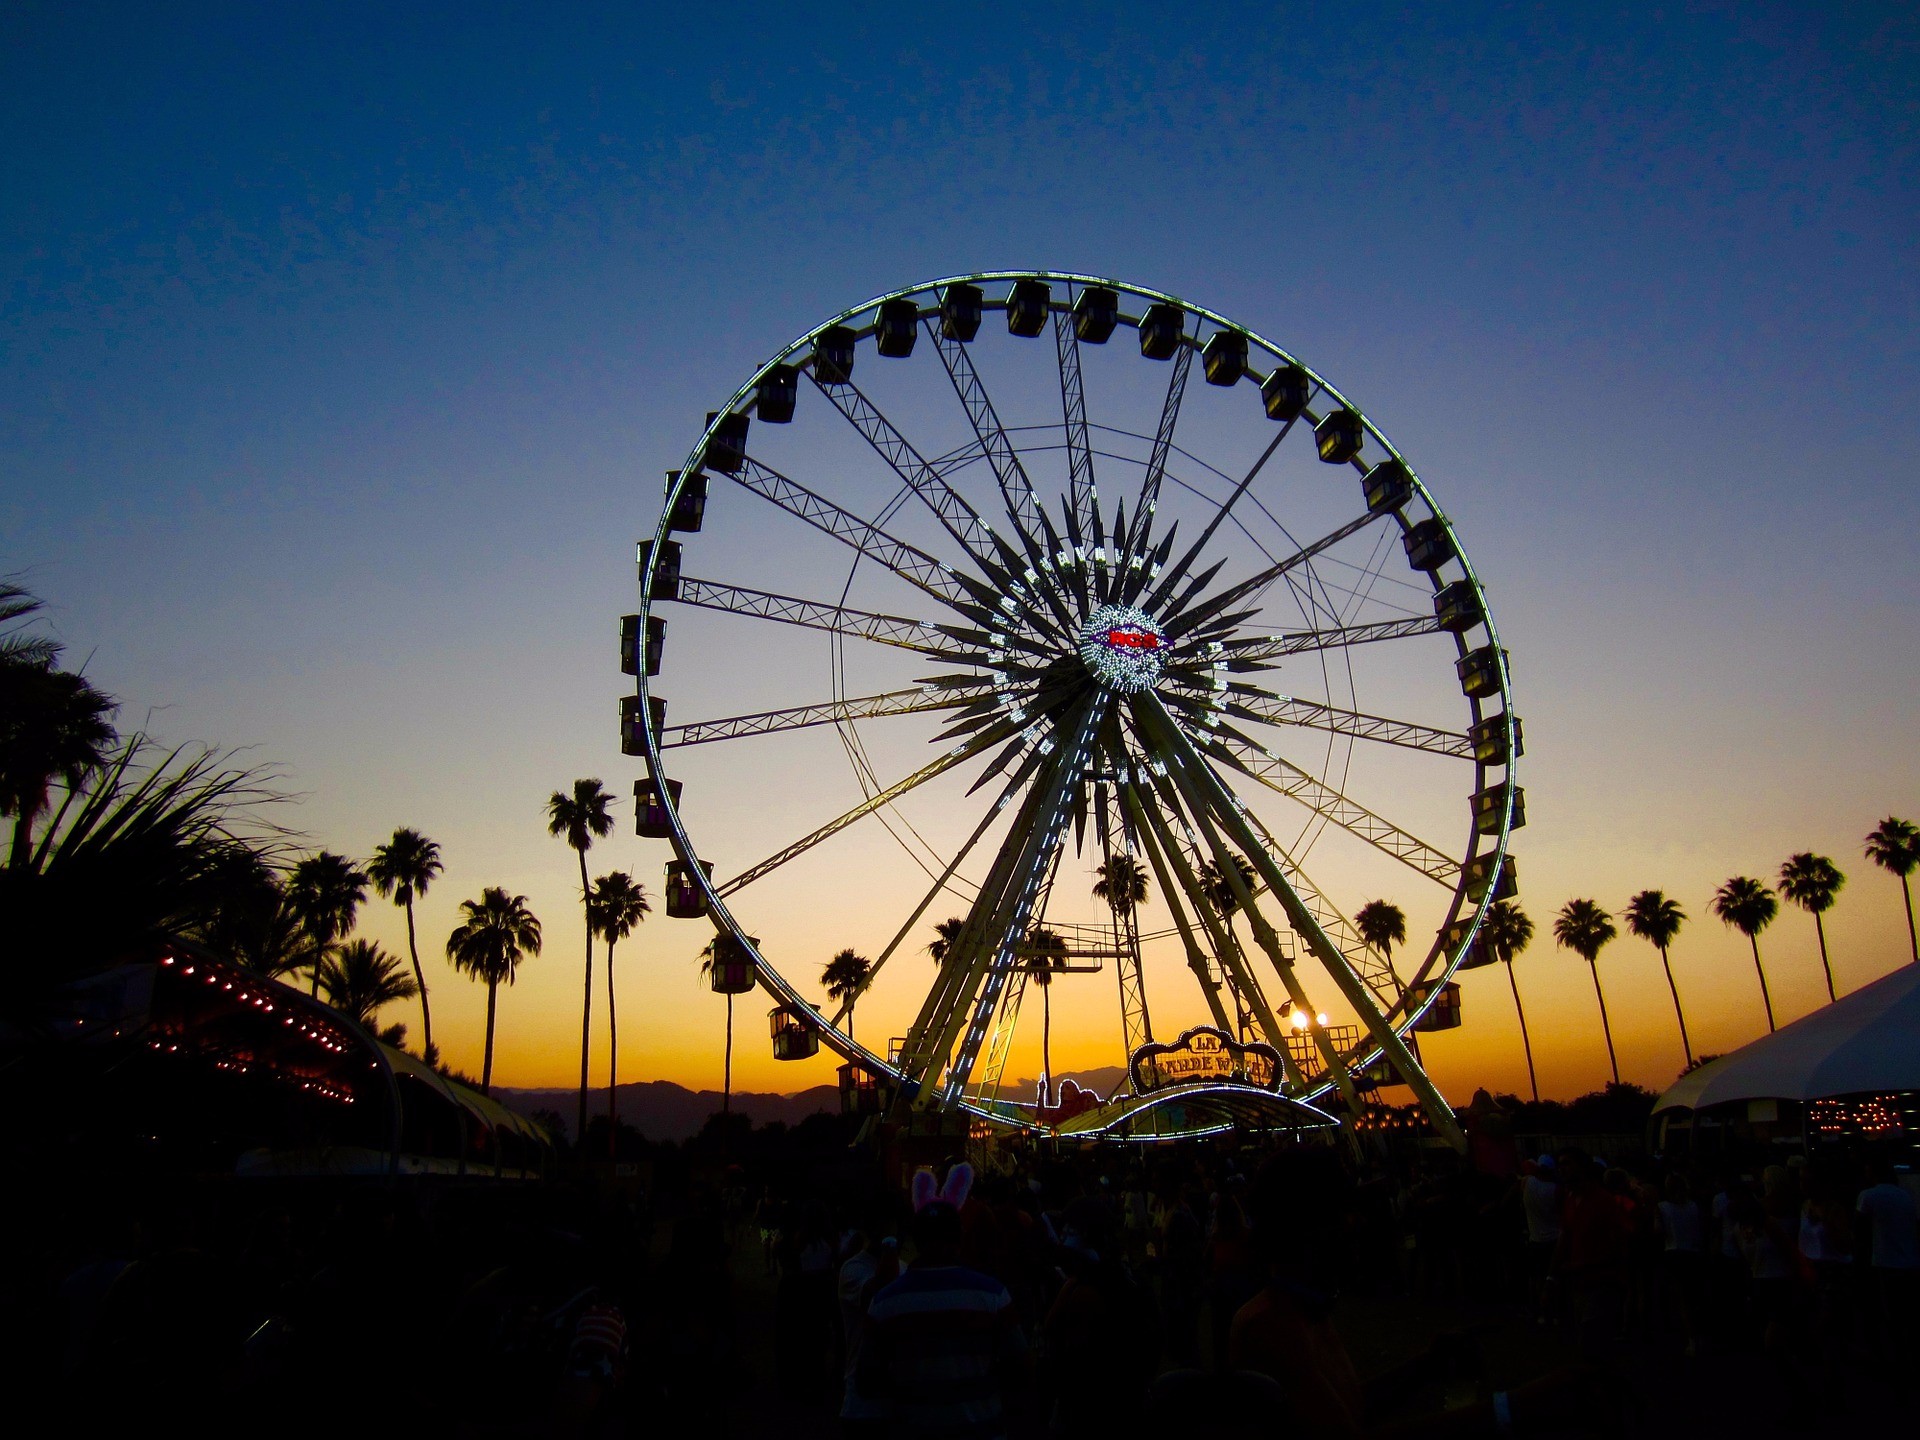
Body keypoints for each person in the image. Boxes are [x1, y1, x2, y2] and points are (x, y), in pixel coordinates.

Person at [860, 1166, 1028, 1440]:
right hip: (982, 1427)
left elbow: (867, 1379)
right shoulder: (994, 1296)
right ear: (960, 1236)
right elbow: (1020, 1368)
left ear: (914, 1238)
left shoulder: (885, 1302)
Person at [1856, 1159, 1919, 1350]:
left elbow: (1859, 1231)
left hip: (1883, 1262)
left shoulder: (1868, 1196)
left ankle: (1895, 1358)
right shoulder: (1905, 1195)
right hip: (1909, 1261)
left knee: (1889, 1314)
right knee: (1908, 1314)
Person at [1655, 1172, 1704, 1355]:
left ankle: (1690, 1337)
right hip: (1693, 1252)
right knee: (1694, 1296)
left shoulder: (1662, 1207)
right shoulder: (1693, 1206)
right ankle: (1698, 1333)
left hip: (1673, 1253)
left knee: (1682, 1299)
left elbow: (1659, 1231)